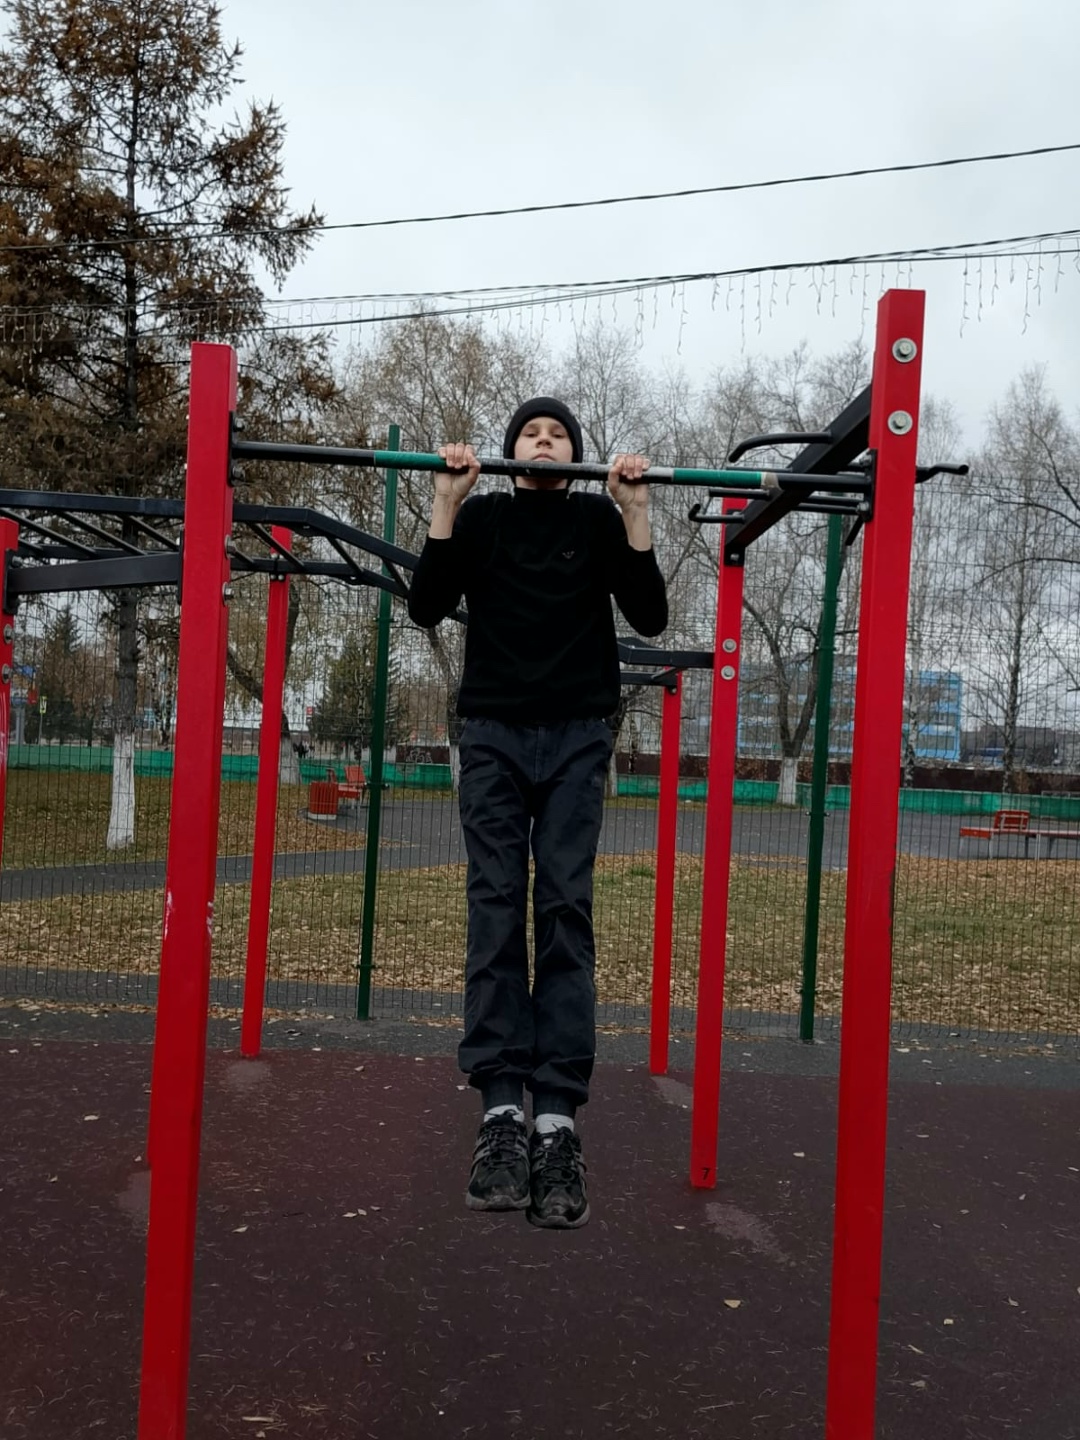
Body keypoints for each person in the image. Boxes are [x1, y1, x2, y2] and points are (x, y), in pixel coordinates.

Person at [407, 398, 668, 1228]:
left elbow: (650, 615)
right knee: (494, 904)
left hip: (579, 737)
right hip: (493, 734)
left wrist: (636, 512)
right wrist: (445, 503)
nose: (546, 441)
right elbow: (425, 604)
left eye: (559, 435)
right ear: (513, 451)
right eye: (532, 433)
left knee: (563, 907)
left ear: (574, 455)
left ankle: (555, 1120)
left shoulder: (595, 520)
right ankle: (500, 1112)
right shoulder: (484, 517)